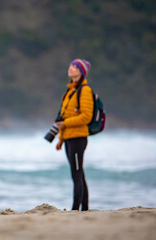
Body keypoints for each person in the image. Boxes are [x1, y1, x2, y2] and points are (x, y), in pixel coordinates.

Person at [55, 59, 93, 211]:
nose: (71, 69)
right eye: (70, 66)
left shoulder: (85, 91)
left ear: (82, 72)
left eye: (75, 67)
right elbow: (64, 117)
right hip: (69, 138)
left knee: (77, 174)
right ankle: (83, 207)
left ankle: (77, 208)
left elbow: (86, 117)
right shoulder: (69, 92)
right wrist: (61, 139)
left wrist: (65, 125)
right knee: (77, 173)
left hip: (78, 138)